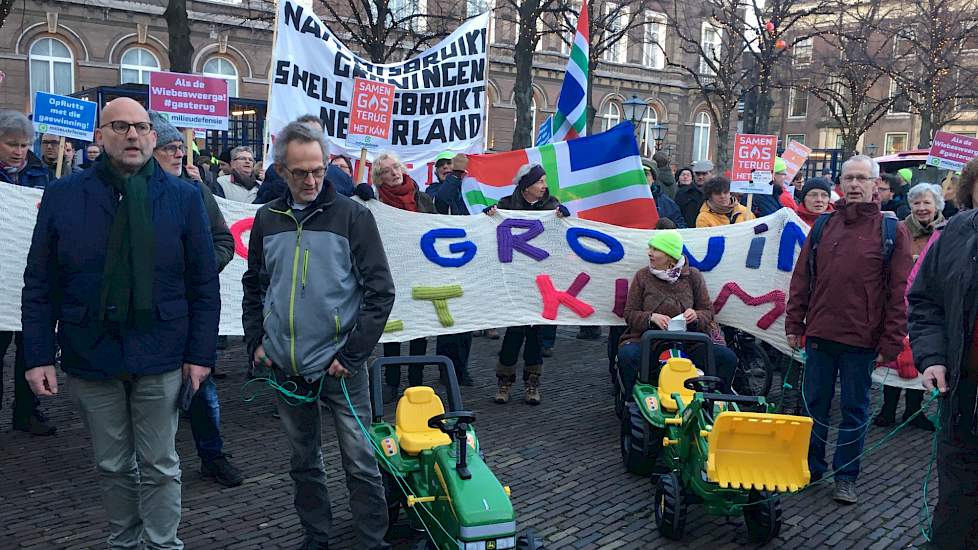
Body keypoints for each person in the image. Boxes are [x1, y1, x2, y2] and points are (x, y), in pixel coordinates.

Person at [22, 97, 220, 549]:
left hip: (162, 350)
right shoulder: (63, 196)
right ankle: (124, 542)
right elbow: (40, 282)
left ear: (152, 136)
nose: (132, 135)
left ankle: (162, 544)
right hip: (91, 348)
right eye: (120, 127)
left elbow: (203, 284)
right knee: (112, 463)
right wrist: (37, 356)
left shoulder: (184, 197)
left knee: (160, 463)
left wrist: (199, 355)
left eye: (141, 127)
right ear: (100, 136)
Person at [242, 121, 394, 550]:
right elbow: (255, 284)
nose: (310, 180)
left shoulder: (354, 216)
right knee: (303, 463)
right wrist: (257, 341)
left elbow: (380, 292)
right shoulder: (266, 218)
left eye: (318, 170)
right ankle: (316, 537)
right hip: (286, 365)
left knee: (361, 463)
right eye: (299, 173)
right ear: (280, 171)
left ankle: (371, 541)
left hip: (340, 368)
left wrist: (351, 354)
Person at [786, 155, 913, 505]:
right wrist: (795, 323)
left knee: (855, 410)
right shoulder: (825, 226)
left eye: (862, 178)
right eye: (849, 178)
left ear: (876, 185)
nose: (855, 185)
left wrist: (891, 340)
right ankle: (811, 467)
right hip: (821, 335)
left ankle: (846, 476)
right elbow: (802, 279)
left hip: (862, 340)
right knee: (814, 406)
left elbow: (898, 292)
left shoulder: (892, 231)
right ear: (840, 184)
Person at [148, 111, 243, 486]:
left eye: (180, 147)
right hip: (148, 314)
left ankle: (212, 455)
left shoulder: (196, 191)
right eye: (170, 148)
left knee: (200, 387)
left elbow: (223, 241)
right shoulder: (125, 193)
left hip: (188, 309)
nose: (178, 155)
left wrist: (201, 268)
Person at [906, 157, 978, 549]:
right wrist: (933, 356)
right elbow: (925, 302)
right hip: (965, 396)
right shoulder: (954, 235)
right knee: (957, 499)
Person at [616, 230, 738, 395]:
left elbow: (708, 310)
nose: (649, 253)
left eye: (655, 249)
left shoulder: (693, 276)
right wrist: (651, 318)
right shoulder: (642, 276)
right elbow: (629, 313)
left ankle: (717, 400)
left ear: (670, 256)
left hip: (689, 342)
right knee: (627, 356)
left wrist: (696, 315)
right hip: (649, 342)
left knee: (727, 358)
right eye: (650, 248)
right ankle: (631, 401)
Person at [486, 163, 569, 405]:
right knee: (513, 332)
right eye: (540, 181)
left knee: (535, 333)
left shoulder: (552, 206)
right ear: (526, 186)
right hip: (512, 279)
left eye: (544, 181)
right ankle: (504, 381)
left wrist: (564, 219)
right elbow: (487, 230)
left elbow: (559, 241)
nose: (544, 186)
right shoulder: (505, 205)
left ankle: (532, 384)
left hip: (540, 280)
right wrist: (487, 216)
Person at [873, 183, 946, 431]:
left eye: (927, 203)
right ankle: (888, 408)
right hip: (898, 301)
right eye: (917, 203)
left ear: (937, 205)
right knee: (896, 355)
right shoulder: (900, 230)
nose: (922, 208)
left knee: (921, 353)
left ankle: (914, 410)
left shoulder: (947, 233)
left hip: (931, 304)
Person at [0, 110, 55, 436]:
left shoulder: (41, 174)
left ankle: (26, 411)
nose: (19, 151)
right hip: (1, 276)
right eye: (11, 144)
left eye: (24, 144)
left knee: (29, 350)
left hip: (30, 277)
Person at [369, 151, 440, 402]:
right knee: (393, 329)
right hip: (391, 274)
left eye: (396, 167)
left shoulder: (424, 200)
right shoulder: (374, 203)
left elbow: (438, 228)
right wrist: (360, 195)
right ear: (380, 179)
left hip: (420, 272)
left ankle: (416, 380)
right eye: (387, 171)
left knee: (418, 328)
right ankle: (392, 381)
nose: (395, 173)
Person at [424, 151, 477, 379]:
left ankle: (461, 368)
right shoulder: (432, 192)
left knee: (467, 319)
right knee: (447, 319)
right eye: (443, 165)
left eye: (451, 164)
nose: (447, 167)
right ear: (436, 171)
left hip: (469, 262)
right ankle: (446, 370)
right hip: (443, 263)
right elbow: (443, 200)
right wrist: (455, 175)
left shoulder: (472, 193)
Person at [256, 115, 326, 204]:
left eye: (317, 172)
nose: (310, 182)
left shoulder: (339, 177)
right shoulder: (274, 172)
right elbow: (258, 205)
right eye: (300, 173)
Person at [646, 163, 685, 228]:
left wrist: (672, 226)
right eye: (638, 174)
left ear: (653, 179)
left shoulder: (666, 203)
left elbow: (682, 226)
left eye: (646, 174)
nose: (642, 178)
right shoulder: (624, 201)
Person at [676, 159, 711, 227]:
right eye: (698, 174)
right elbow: (676, 214)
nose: (700, 177)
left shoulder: (716, 193)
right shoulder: (683, 193)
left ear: (711, 173)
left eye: (704, 174)